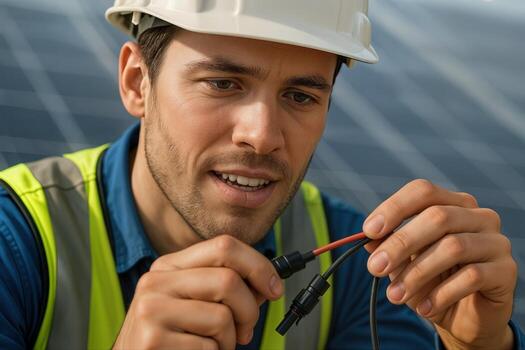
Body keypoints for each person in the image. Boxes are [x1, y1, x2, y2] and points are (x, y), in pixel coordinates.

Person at [0, 0, 523, 349]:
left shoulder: (357, 269)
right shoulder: (15, 244)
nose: (263, 134)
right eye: (223, 83)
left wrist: (477, 346)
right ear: (138, 82)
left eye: (300, 96)